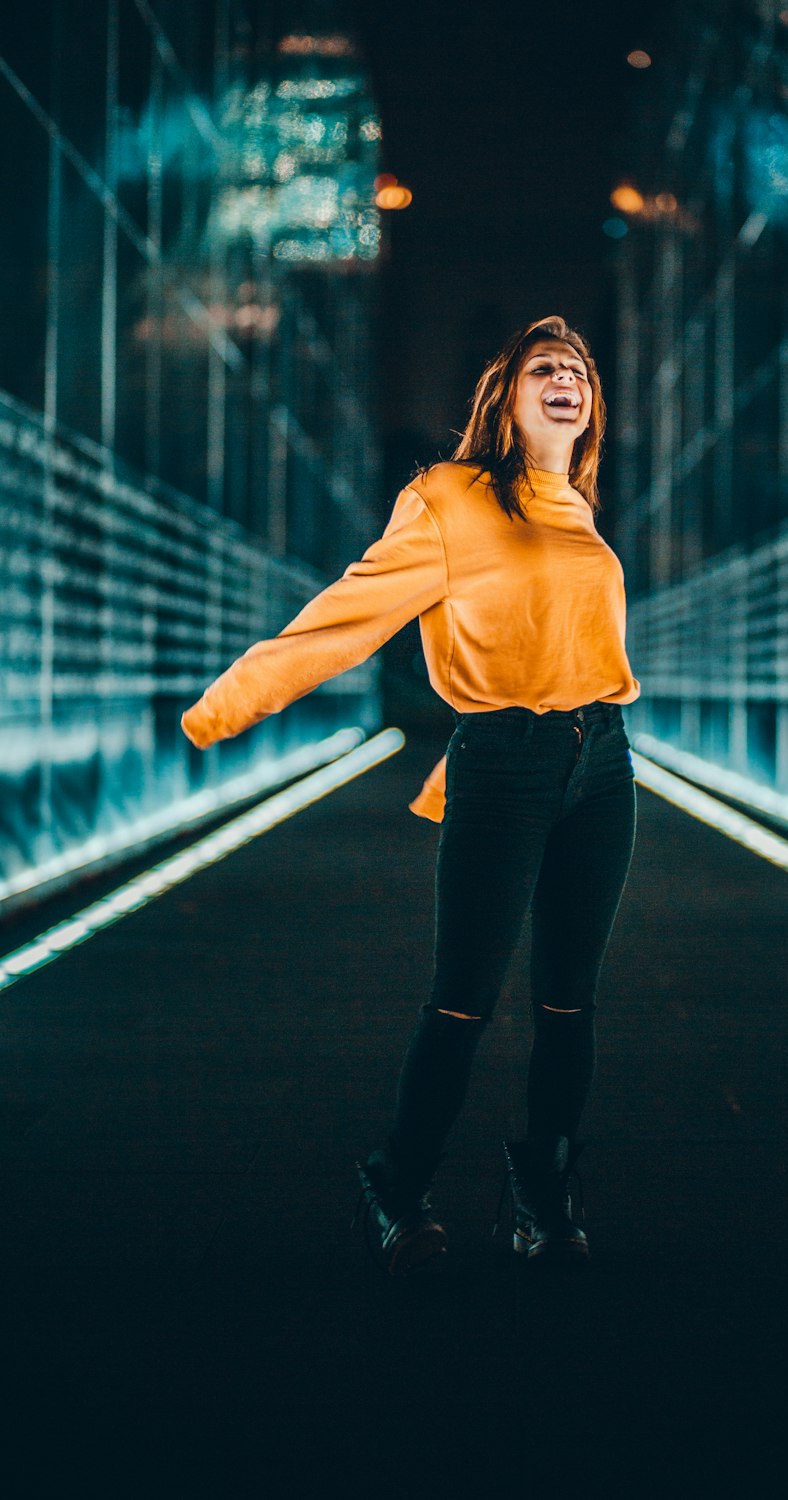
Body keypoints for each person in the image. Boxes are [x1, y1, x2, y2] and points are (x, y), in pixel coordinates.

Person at [181, 314, 640, 1274]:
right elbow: (341, 621)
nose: (568, 379)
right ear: (507, 398)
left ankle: (543, 1196)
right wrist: (218, 713)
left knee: (570, 1004)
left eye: (580, 373)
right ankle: (397, 1184)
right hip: (503, 765)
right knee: (463, 1001)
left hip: (603, 763)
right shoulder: (449, 498)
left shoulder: (578, 506)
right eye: (544, 368)